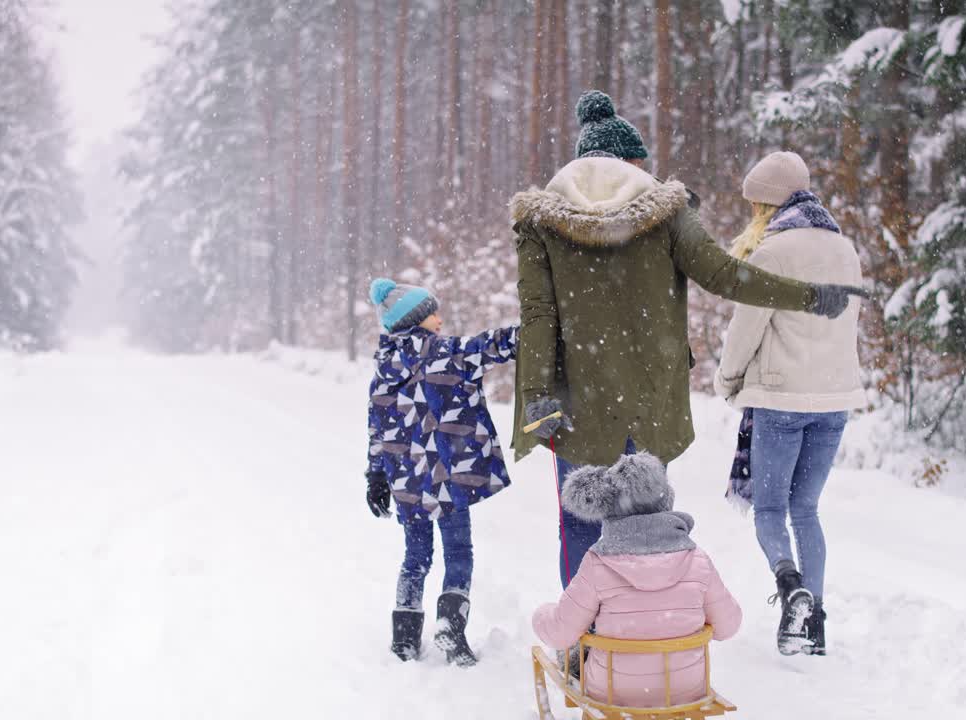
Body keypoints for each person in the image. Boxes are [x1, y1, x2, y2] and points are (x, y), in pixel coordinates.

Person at [509, 90, 866, 590]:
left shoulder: (541, 220)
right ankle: (649, 626)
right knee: (648, 520)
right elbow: (724, 275)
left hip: (577, 401)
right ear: (631, 162)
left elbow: (538, 314)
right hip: (650, 397)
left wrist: (537, 395)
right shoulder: (667, 211)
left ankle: (587, 640)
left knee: (580, 521)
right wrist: (808, 296)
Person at [714, 151, 867, 657]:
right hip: (835, 400)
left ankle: (789, 586)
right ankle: (814, 623)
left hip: (781, 397)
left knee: (770, 509)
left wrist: (729, 380)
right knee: (806, 509)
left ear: (767, 203)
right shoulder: (846, 249)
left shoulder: (773, 251)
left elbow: (746, 329)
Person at [364, 278, 519, 667]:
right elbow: (490, 345)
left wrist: (376, 477)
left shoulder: (383, 370)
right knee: (459, 553)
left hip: (408, 482)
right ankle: (450, 627)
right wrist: (532, 330)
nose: (439, 317)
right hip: (450, 477)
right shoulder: (445, 352)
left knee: (415, 556)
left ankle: (404, 639)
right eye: (433, 312)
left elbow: (376, 430)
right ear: (415, 320)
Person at [532, 453, 742, 707]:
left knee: (573, 652)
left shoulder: (598, 562)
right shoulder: (697, 559)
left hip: (613, 692)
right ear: (666, 501)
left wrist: (542, 614)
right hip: (684, 690)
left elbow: (560, 633)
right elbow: (729, 625)